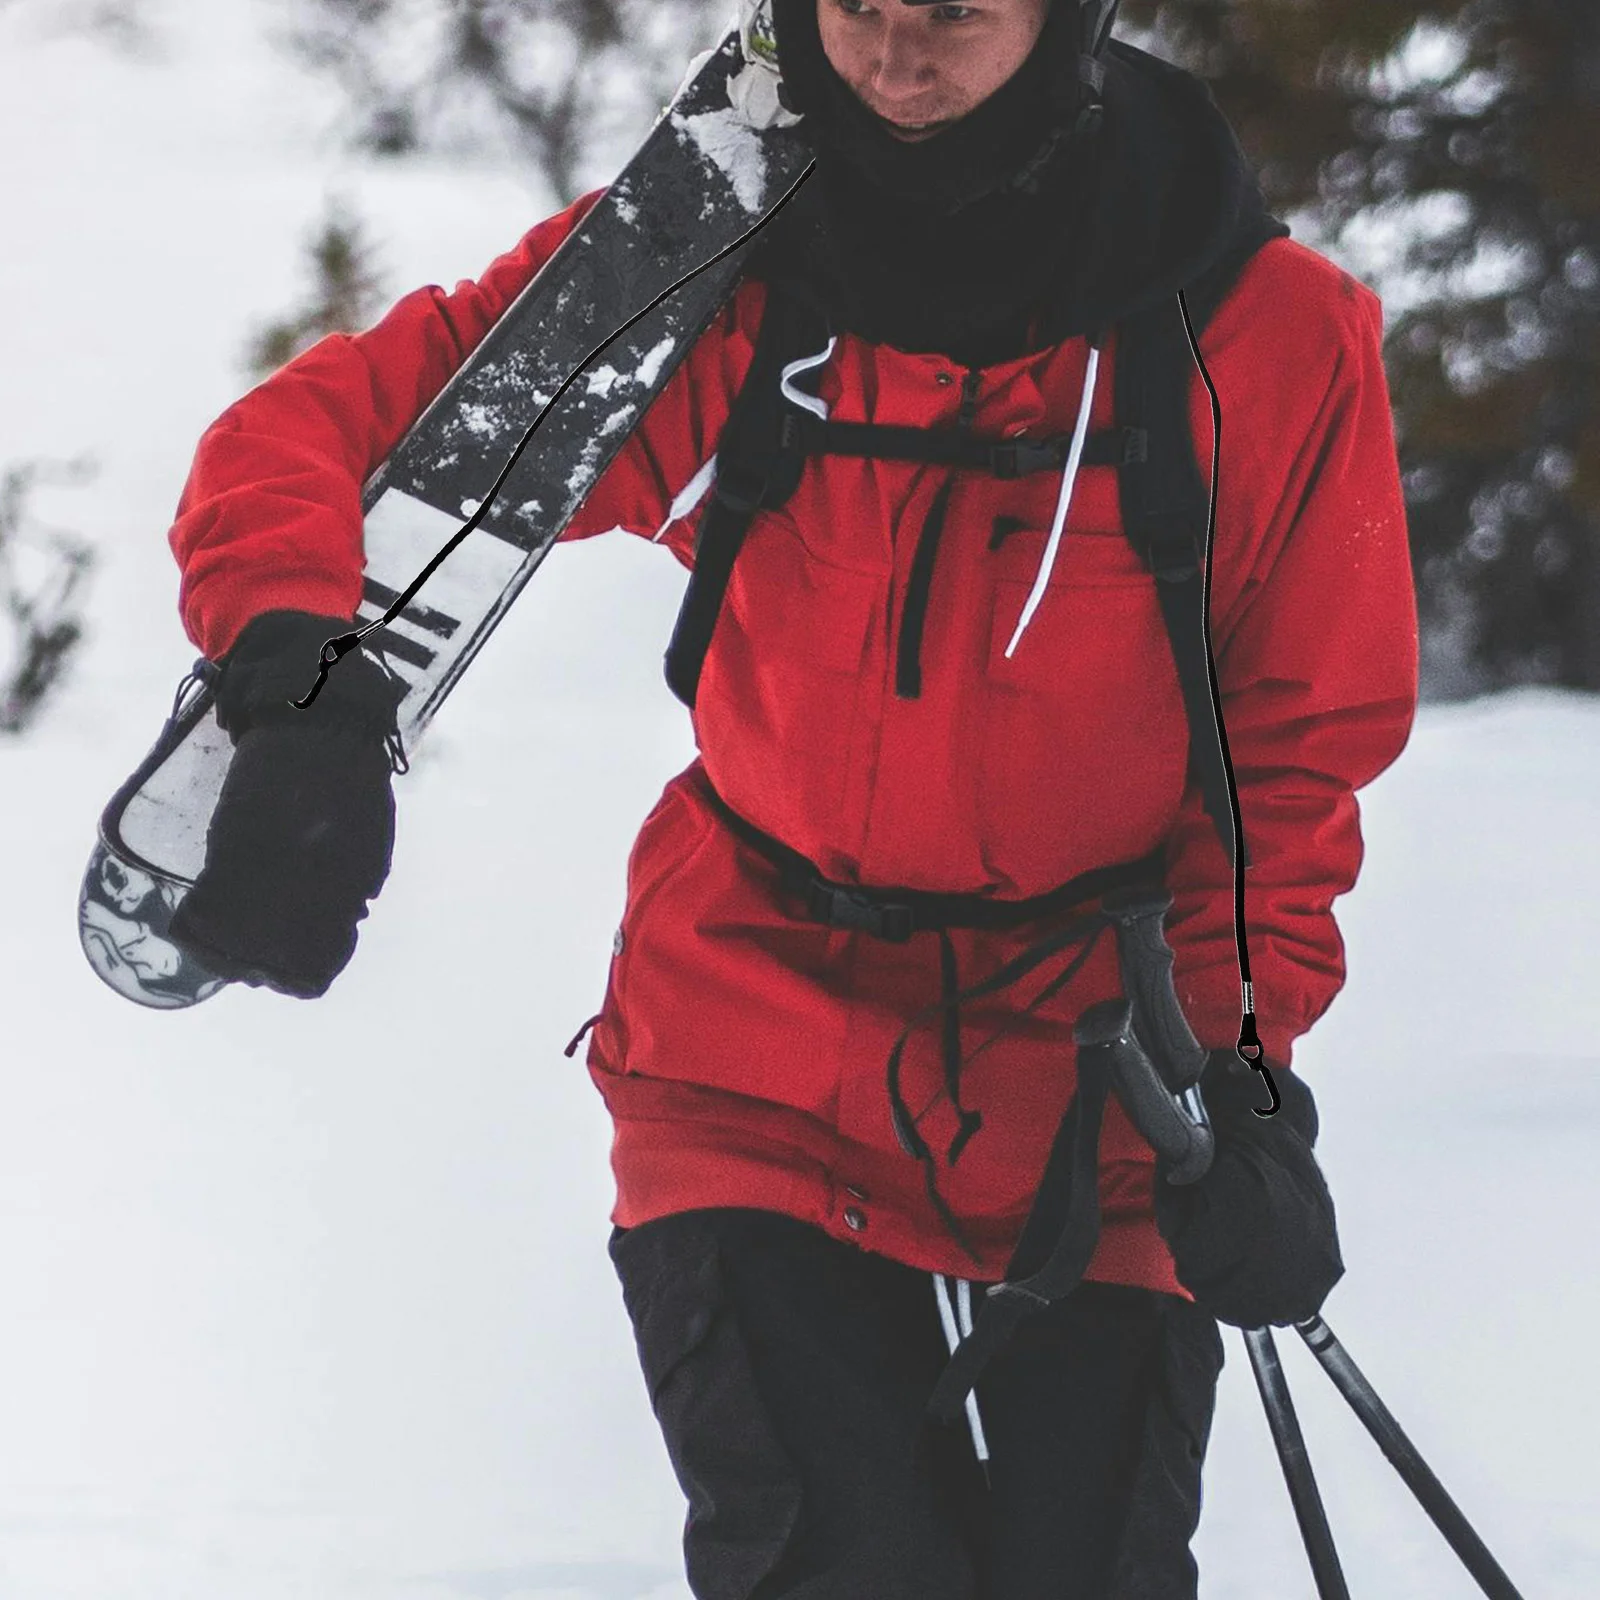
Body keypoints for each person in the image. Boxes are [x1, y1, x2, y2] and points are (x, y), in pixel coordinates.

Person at [162, 0, 1419, 1594]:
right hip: (751, 1047)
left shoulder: (1267, 338)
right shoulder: (703, 274)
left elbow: (1288, 759)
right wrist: (307, 698)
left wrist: (1243, 1078)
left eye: (954, 15)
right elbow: (319, 433)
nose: (895, 59)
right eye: (858, 7)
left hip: (1105, 1081)